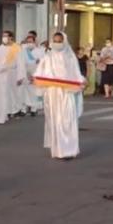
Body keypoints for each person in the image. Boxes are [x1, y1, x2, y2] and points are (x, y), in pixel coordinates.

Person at [34, 32, 84, 160]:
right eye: (55, 41)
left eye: (59, 41)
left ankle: (70, 149)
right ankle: (58, 150)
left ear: (64, 41)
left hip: (67, 92)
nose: (57, 43)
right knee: (55, 121)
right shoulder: (48, 57)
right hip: (52, 93)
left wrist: (80, 82)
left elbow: (76, 74)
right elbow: (39, 73)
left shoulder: (71, 57)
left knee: (67, 120)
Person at [2, 31, 26, 117]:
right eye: (3, 36)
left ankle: (17, 109)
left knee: (15, 92)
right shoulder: (2, 48)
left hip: (14, 72)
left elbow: (21, 63)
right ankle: (8, 110)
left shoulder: (17, 48)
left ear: (11, 37)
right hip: (5, 72)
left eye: (6, 36)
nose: (4, 38)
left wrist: (20, 76)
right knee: (6, 92)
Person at [20, 35, 41, 116]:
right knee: (24, 93)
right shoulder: (23, 52)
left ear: (34, 42)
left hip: (35, 75)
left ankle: (33, 109)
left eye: (31, 41)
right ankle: (23, 109)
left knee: (34, 93)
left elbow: (41, 64)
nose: (29, 43)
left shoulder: (39, 52)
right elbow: (21, 63)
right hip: (25, 74)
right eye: (28, 42)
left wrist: (34, 75)